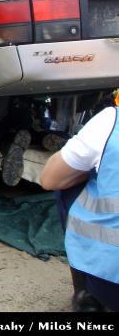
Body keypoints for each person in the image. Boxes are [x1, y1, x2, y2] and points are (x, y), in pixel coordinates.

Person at [40, 99, 119, 312]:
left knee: (67, 182)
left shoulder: (111, 120)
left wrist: (94, 170)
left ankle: (88, 298)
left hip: (112, 287)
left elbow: (49, 179)